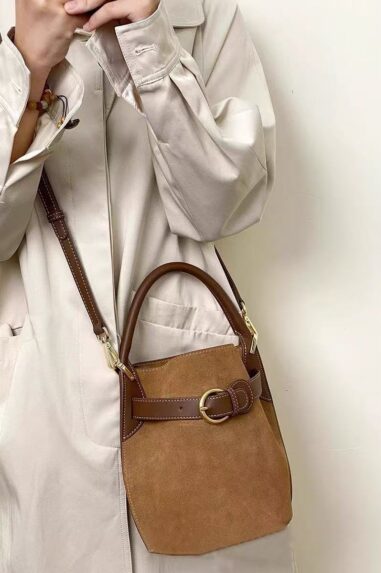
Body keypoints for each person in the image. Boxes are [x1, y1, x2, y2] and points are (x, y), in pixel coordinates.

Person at [0, 0, 296, 571]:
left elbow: (223, 207)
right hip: (41, 414)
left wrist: (148, 43)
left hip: (197, 406)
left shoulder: (202, 13)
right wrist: (28, 67)